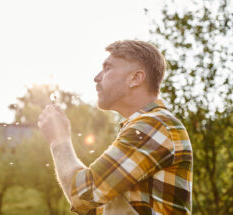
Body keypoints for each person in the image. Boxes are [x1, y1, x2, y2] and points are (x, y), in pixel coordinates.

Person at [37, 40, 193, 215]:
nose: (96, 77)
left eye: (107, 68)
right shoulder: (145, 128)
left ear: (135, 78)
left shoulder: (154, 125)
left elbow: (83, 194)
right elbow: (94, 208)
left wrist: (59, 140)